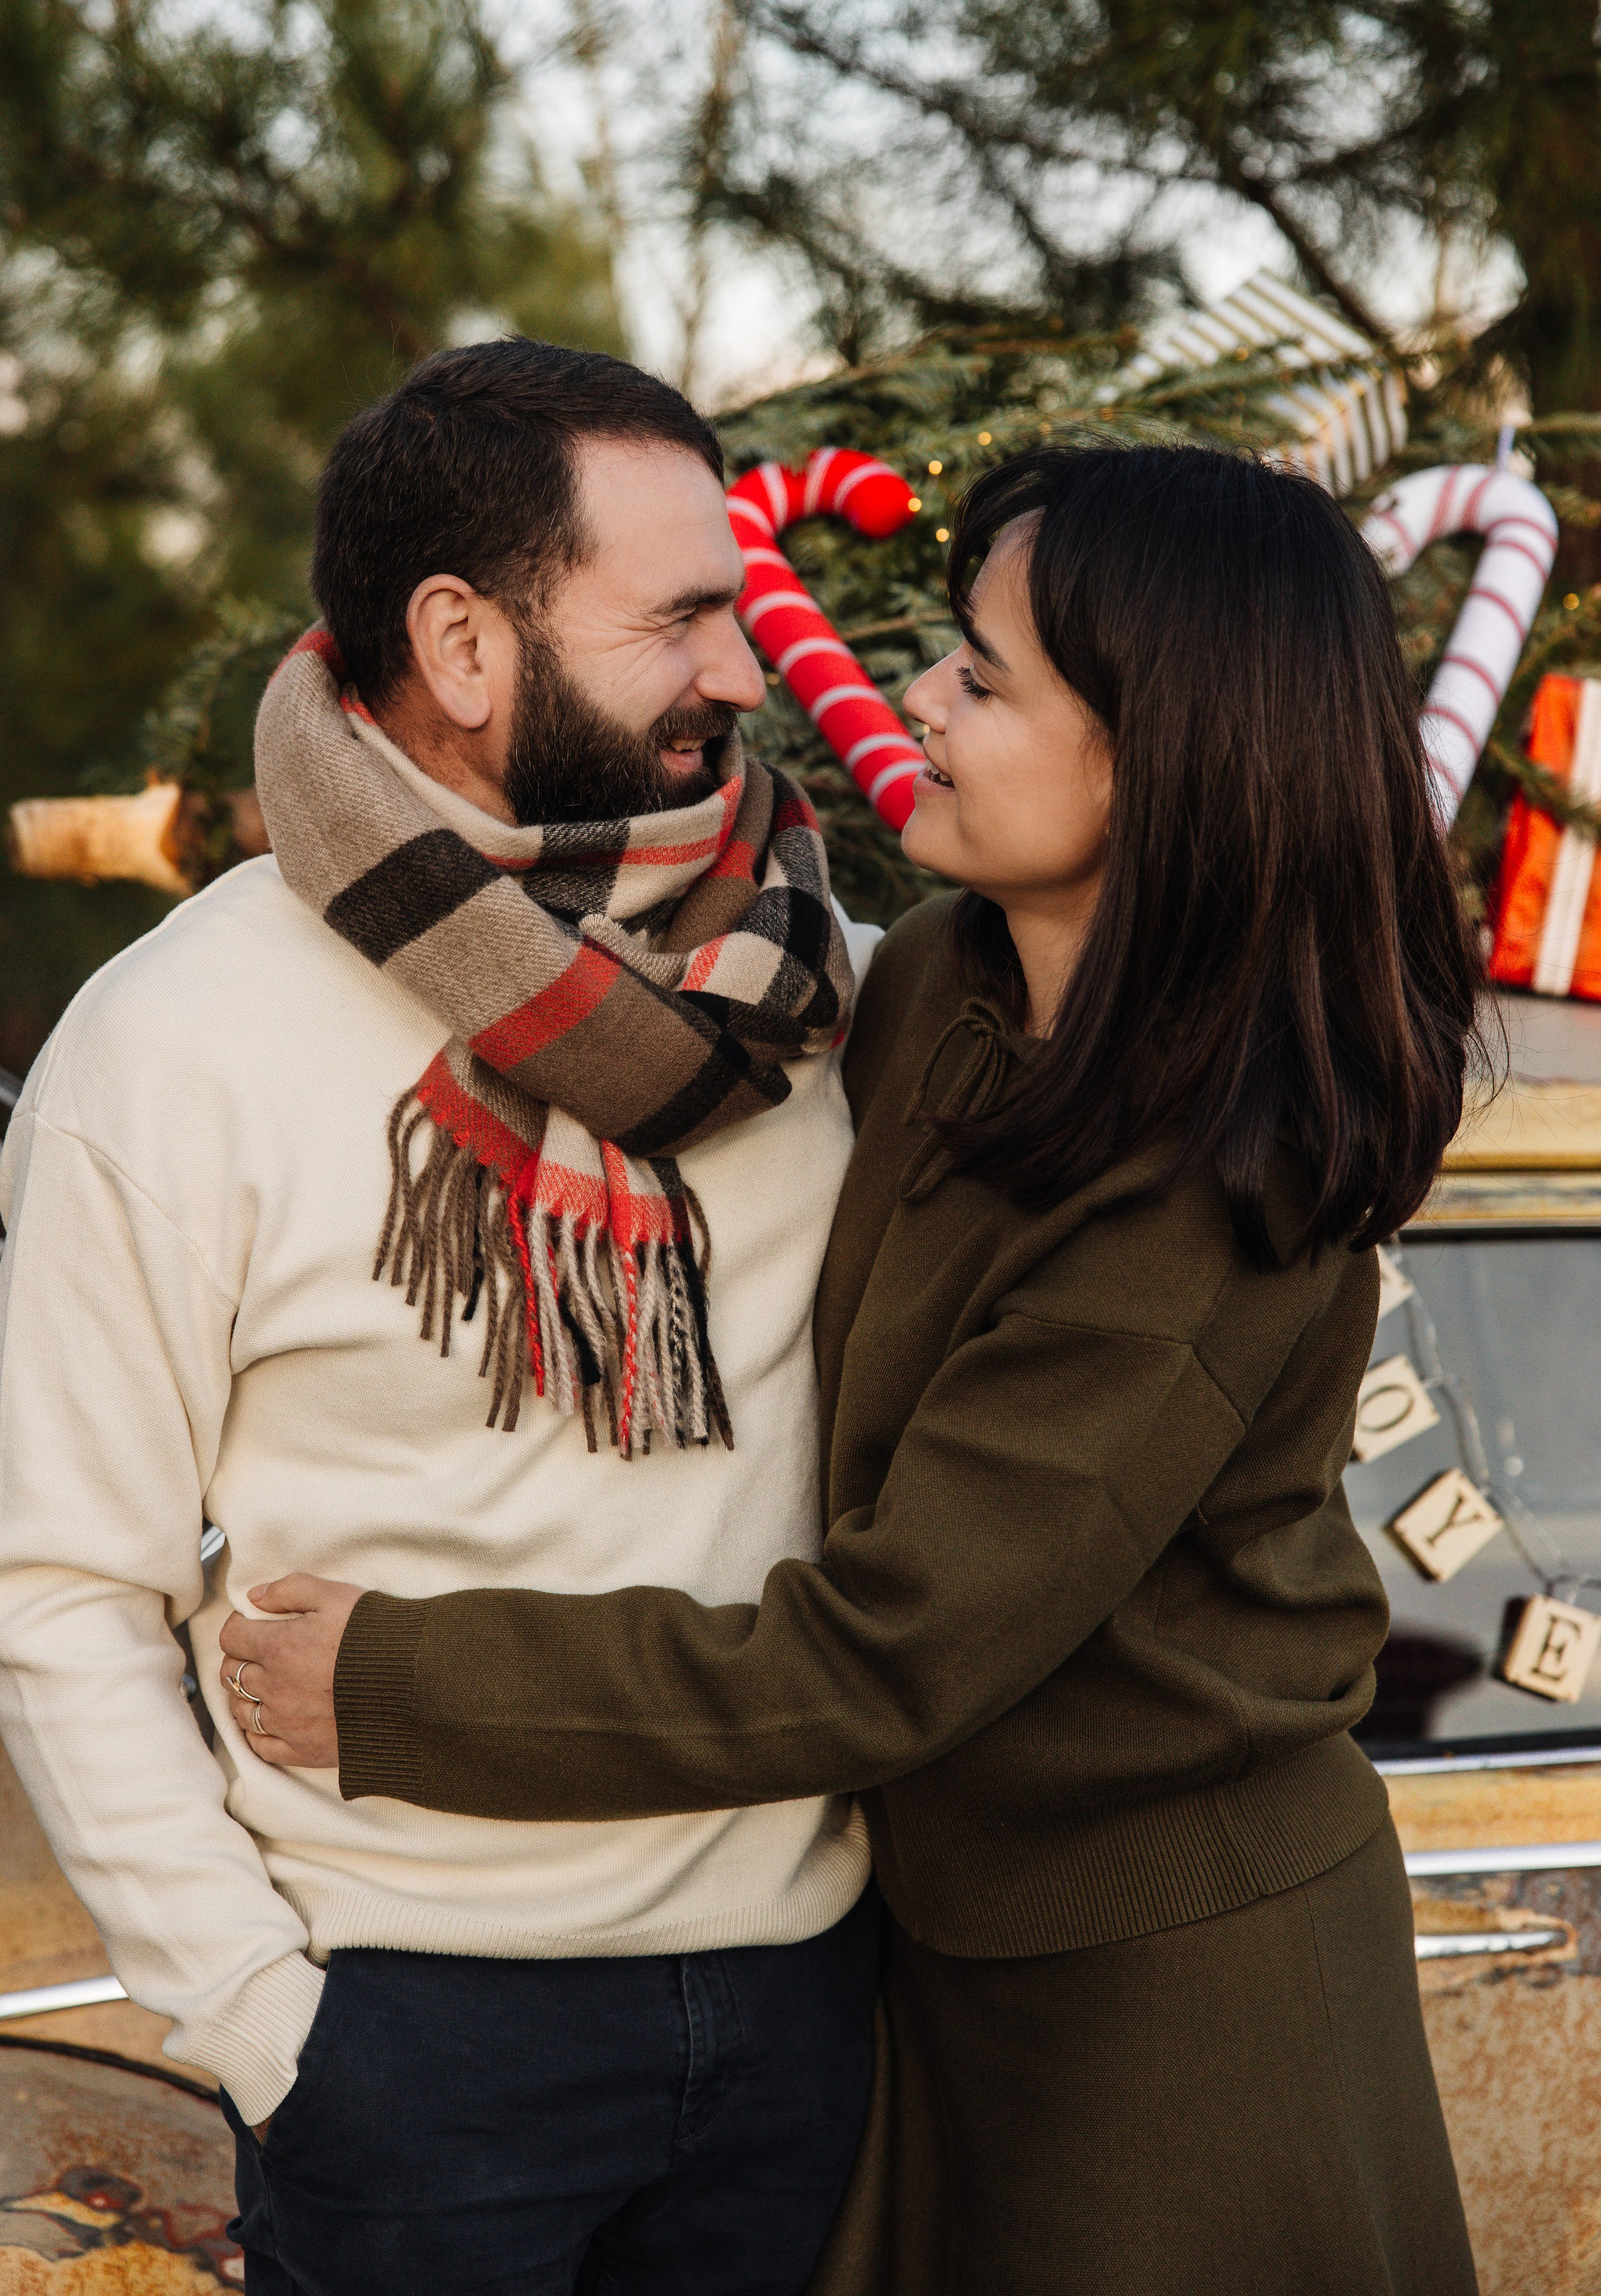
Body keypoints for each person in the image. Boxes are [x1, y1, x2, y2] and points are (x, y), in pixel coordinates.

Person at [226, 442, 1483, 2296]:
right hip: (932, 1954)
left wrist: (405, 1681)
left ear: (1164, 758)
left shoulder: (1212, 1203)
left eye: (982, 677)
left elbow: (894, 1648)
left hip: (1174, 2011)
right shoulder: (933, 993)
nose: (916, 699)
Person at [0, 338, 886, 2296]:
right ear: (465, 645)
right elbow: (60, 1587)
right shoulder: (173, 1047)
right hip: (407, 2052)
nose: (744, 676)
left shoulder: (825, 991)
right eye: (680, 621)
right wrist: (268, 2032)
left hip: (815, 2017)